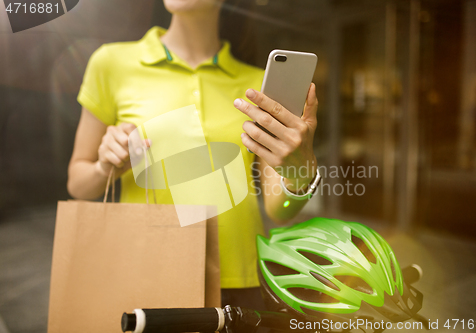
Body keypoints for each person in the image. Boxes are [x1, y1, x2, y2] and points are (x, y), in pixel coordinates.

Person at [67, 0, 319, 310]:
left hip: (241, 283)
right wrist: (105, 166)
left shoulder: (257, 87)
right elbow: (78, 184)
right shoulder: (111, 63)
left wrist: (300, 172)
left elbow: (279, 209)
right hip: (148, 274)